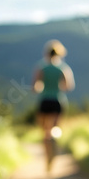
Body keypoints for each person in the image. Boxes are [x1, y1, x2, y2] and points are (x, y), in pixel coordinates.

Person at [32, 39, 75, 171]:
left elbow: (35, 86)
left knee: (45, 132)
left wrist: (42, 87)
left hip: (45, 100)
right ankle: (55, 138)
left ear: (46, 53)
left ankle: (47, 156)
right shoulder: (63, 68)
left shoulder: (41, 66)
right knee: (55, 127)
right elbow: (69, 86)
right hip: (57, 101)